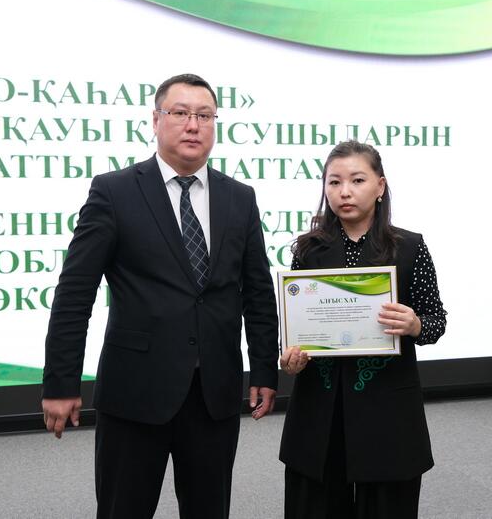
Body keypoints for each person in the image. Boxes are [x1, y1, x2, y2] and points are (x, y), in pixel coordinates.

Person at [41, 73, 279, 519]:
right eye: (181, 113)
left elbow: (258, 292)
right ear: (155, 120)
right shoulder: (114, 192)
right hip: (135, 391)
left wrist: (265, 368)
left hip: (214, 393)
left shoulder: (239, 198)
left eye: (204, 115)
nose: (193, 125)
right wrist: (60, 383)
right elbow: (75, 293)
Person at [278, 140, 447, 519]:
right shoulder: (307, 250)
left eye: (357, 180)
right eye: (334, 182)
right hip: (320, 409)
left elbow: (436, 321)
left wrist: (415, 324)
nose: (345, 191)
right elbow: (296, 328)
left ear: (380, 186)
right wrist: (290, 358)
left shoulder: (409, 248)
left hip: (387, 408)